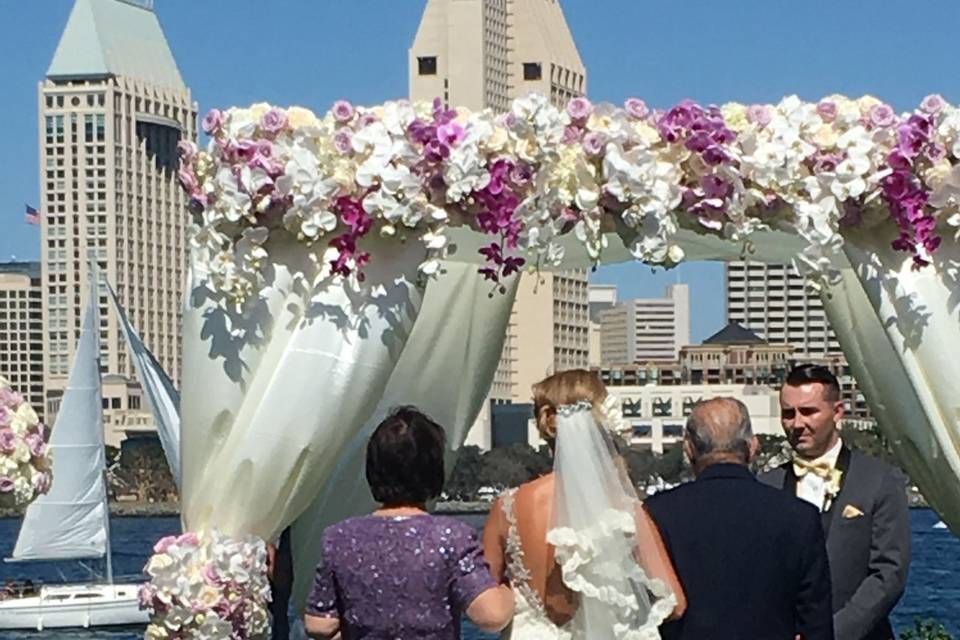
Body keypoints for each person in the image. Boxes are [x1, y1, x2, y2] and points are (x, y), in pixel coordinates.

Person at [482, 369, 685, 639]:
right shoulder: (623, 509)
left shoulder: (507, 507)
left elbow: (486, 603)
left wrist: (514, 595)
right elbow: (674, 604)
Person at [303, 406, 513, 639]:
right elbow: (491, 616)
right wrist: (509, 588)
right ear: (434, 468)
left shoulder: (339, 537)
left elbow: (318, 624)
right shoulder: (452, 537)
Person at [645, 397, 834, 640]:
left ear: (689, 448)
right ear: (753, 447)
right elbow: (815, 624)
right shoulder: (799, 516)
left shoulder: (656, 514)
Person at [760, 365, 910, 640]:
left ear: (837, 412)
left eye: (808, 412)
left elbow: (889, 574)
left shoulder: (880, 480)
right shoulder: (765, 486)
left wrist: (830, 634)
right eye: (788, 414)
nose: (797, 423)